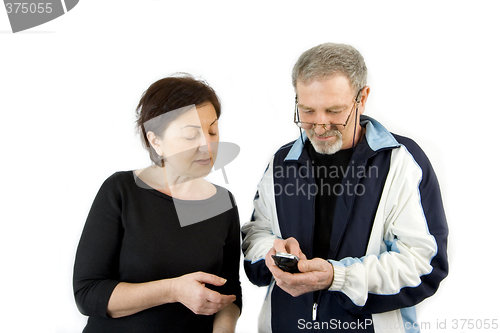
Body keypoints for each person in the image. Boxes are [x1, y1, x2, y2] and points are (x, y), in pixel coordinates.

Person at [241, 43, 448, 332]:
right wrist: (272, 252)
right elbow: (255, 236)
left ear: (362, 98)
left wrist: (337, 277)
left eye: (335, 110)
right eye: (308, 111)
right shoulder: (282, 163)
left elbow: (423, 265)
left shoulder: (402, 162)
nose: (321, 125)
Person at [73, 74, 242, 333]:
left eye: (212, 131)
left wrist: (224, 328)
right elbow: (88, 293)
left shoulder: (223, 203)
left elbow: (229, 292)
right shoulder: (121, 191)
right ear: (156, 141)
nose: (207, 146)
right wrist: (173, 290)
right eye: (190, 135)